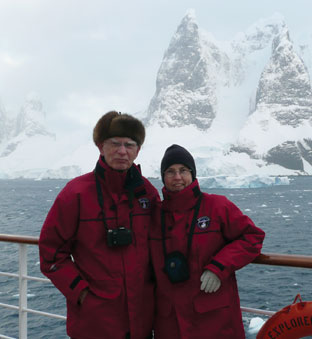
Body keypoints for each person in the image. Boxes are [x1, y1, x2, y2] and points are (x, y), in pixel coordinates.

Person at [39, 111, 159, 339]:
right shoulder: (76, 194)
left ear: (138, 150)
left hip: (142, 322)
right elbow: (51, 254)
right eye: (115, 144)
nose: (122, 151)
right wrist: (82, 293)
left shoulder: (147, 193)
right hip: (94, 323)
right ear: (100, 146)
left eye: (129, 144)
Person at [150, 144, 265, 339]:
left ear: (192, 174)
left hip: (213, 321)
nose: (177, 177)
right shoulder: (154, 216)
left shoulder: (217, 206)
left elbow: (252, 237)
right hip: (170, 322)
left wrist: (219, 267)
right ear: (163, 177)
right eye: (170, 171)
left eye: (183, 170)